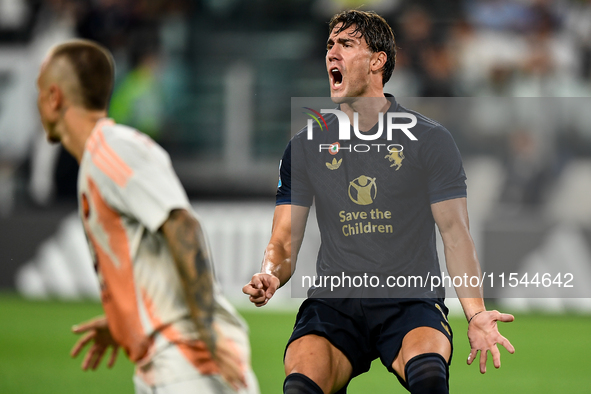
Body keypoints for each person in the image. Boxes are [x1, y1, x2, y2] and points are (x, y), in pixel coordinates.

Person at [243, 10, 515, 394]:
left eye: (346, 44)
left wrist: (476, 312)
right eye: (329, 45)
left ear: (377, 61)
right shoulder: (304, 146)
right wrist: (271, 272)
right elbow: (284, 239)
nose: (332, 53)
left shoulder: (429, 139)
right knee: (301, 386)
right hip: (335, 303)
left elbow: (456, 235)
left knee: (430, 379)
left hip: (409, 300)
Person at [36, 39, 259, 394]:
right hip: (164, 365)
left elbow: (182, 224)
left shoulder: (112, 148)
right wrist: (125, 321)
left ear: (53, 97)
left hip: (190, 362)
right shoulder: (99, 160)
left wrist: (208, 333)